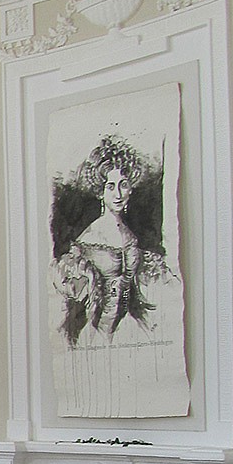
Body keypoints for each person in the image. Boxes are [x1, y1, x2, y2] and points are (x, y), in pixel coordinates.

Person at [54, 134, 170, 348]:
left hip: (127, 328)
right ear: (100, 191)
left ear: (131, 187)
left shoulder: (130, 235)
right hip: (94, 332)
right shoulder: (90, 238)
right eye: (110, 186)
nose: (118, 194)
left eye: (123, 185)